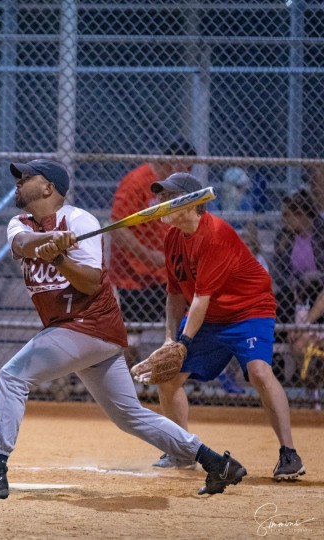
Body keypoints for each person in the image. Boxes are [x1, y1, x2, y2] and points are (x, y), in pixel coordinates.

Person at [0, 159, 248, 500]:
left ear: (49, 188)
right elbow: (22, 244)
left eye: (27, 178)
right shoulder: (20, 223)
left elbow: (90, 285)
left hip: (88, 325)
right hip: (76, 331)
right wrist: (50, 241)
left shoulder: (80, 220)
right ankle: (215, 462)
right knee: (128, 416)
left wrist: (61, 259)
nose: (18, 183)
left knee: (13, 376)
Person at [147, 172, 305, 481]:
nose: (160, 202)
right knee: (168, 379)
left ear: (191, 204)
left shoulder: (215, 235)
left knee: (259, 371)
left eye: (169, 197)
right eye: (160, 196)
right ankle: (182, 450)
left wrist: (184, 343)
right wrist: (170, 339)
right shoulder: (172, 238)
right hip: (208, 317)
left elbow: (200, 300)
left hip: (248, 310)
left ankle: (289, 453)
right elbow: (175, 294)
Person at [109, 140, 196, 367]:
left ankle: (180, 377)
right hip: (134, 277)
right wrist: (149, 255)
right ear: (170, 162)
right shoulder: (138, 181)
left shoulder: (177, 188)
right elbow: (118, 227)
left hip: (166, 276)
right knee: (129, 339)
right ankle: (118, 388)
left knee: (186, 326)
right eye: (186, 168)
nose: (188, 174)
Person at [274, 189, 324, 410]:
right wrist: (297, 285)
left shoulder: (321, 233)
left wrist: (313, 278)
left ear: (302, 214)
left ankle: (303, 329)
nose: (285, 219)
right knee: (280, 298)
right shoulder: (284, 237)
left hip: (318, 292)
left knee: (314, 285)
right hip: (296, 295)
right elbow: (280, 272)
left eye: (288, 215)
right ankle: (295, 332)